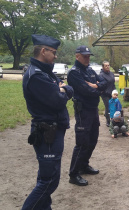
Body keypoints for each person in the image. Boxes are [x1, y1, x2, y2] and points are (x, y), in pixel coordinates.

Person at [22, 34, 74, 209]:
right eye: (53, 52)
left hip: (53, 131)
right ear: (43, 51)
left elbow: (64, 87)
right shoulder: (37, 76)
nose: (56, 56)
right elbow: (58, 99)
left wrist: (62, 88)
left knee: (46, 178)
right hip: (47, 133)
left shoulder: (45, 72)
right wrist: (62, 90)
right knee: (49, 181)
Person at [67, 45, 107, 186]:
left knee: (93, 139)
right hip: (83, 111)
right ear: (77, 56)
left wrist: (96, 86)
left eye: (89, 56)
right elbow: (86, 92)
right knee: (82, 142)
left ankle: (84, 165)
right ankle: (74, 173)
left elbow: (105, 82)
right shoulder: (74, 73)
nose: (87, 58)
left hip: (93, 109)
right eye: (84, 56)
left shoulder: (89, 70)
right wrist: (98, 89)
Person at [100, 61, 116, 127]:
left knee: (113, 106)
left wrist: (115, 91)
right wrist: (104, 91)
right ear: (103, 67)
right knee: (108, 107)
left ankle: (114, 120)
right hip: (105, 93)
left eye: (108, 65)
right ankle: (108, 121)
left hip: (112, 92)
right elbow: (100, 85)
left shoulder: (111, 74)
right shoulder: (101, 75)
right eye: (106, 66)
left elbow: (113, 83)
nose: (107, 67)